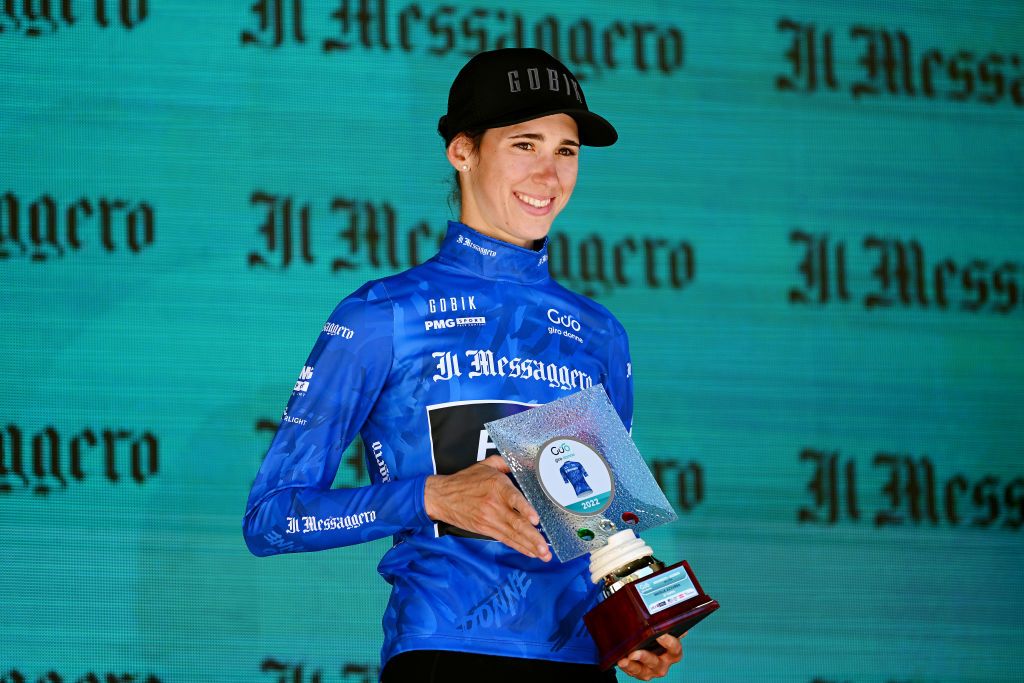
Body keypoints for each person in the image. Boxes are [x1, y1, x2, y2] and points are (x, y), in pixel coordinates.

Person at [243, 47, 685, 682]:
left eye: (566, 150)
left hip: (582, 664)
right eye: (524, 144)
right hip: (445, 653)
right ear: (462, 150)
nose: (549, 173)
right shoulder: (380, 313)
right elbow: (272, 519)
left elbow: (598, 532)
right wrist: (428, 496)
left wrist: (631, 624)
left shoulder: (601, 334)